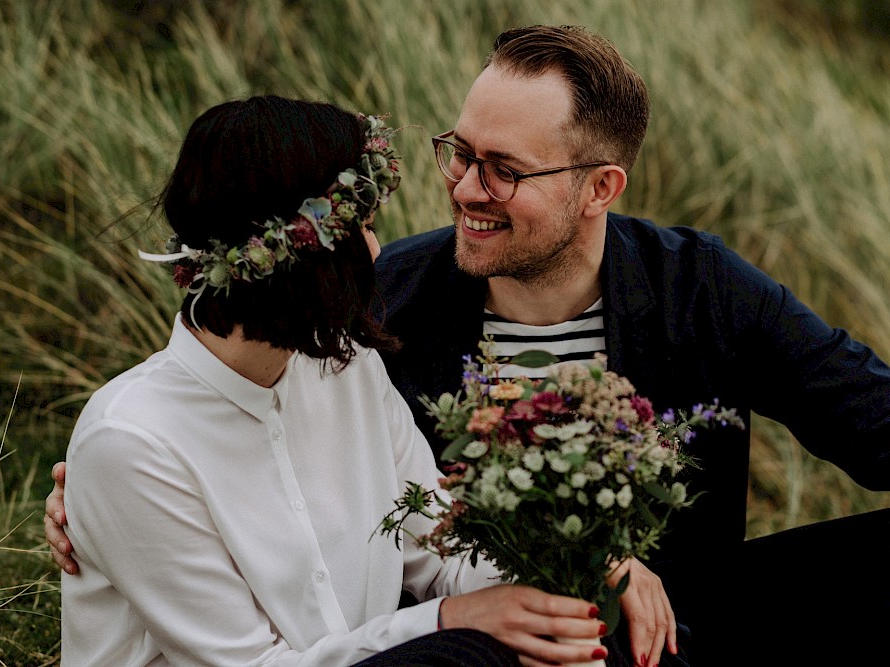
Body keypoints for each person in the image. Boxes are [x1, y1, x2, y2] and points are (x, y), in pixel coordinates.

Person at [50, 26, 890, 665]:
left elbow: (872, 414)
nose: (461, 188)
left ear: (600, 188)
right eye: (459, 153)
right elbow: (212, 383)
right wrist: (96, 484)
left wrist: (603, 568)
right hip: (486, 644)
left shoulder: (700, 286)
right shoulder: (376, 308)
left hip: (665, 620)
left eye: (502, 168)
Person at [55, 95, 612, 666]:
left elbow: (443, 555)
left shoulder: (350, 370)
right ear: (306, 256)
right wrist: (448, 622)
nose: (377, 250)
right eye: (365, 228)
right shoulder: (132, 443)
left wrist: (584, 574)